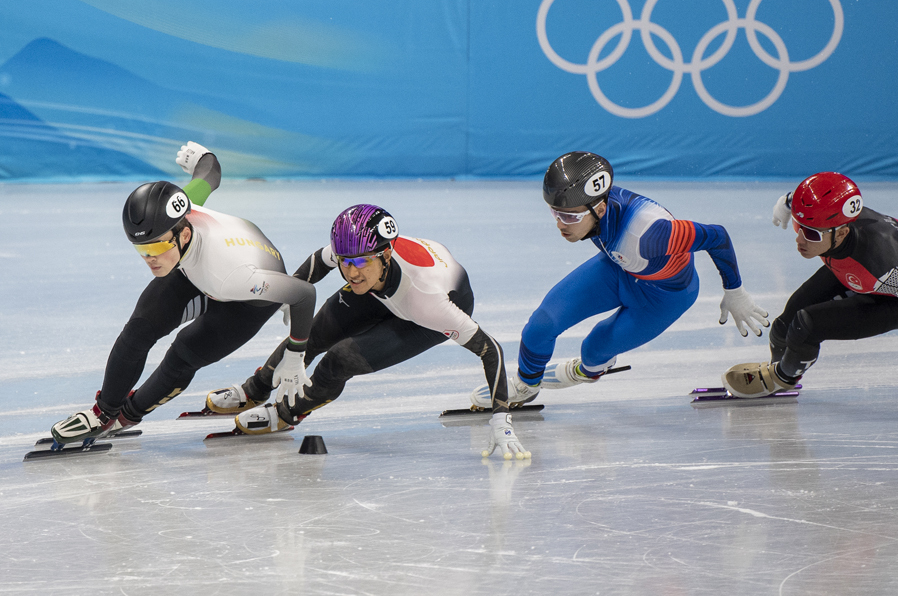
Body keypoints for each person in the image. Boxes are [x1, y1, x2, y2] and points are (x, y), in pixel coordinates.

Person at [205, 204, 529, 460]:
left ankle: (286, 413)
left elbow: (490, 349)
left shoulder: (428, 302)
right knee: (314, 332)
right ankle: (255, 388)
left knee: (339, 360)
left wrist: (501, 419)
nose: (351, 272)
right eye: (345, 262)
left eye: (360, 262)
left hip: (425, 309)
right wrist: (292, 291)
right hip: (384, 288)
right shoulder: (357, 248)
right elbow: (320, 261)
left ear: (385, 255)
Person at [50, 142, 317, 444]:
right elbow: (210, 174)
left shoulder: (229, 275)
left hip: (247, 295)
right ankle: (103, 414)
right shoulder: (180, 211)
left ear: (184, 233)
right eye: (141, 249)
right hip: (195, 266)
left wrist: (295, 355)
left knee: (182, 355)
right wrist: (203, 157)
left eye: (156, 247)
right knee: (139, 330)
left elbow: (304, 293)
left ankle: (127, 415)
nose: (149, 259)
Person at [470, 151, 769, 408]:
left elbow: (717, 236)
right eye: (555, 213)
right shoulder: (592, 205)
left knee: (594, 350)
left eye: (570, 217)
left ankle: (588, 370)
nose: (561, 225)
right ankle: (526, 386)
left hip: (664, 298)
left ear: (600, 208)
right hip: (619, 270)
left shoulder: (650, 234)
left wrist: (735, 289)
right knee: (540, 327)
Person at [722, 172, 898, 418]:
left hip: (897, 299)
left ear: (843, 232)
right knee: (783, 326)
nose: (799, 240)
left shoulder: (884, 267)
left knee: (806, 325)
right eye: (799, 226)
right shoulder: (828, 221)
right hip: (849, 265)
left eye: (810, 233)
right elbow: (805, 199)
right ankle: (782, 368)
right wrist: (787, 204)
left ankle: (782, 379)